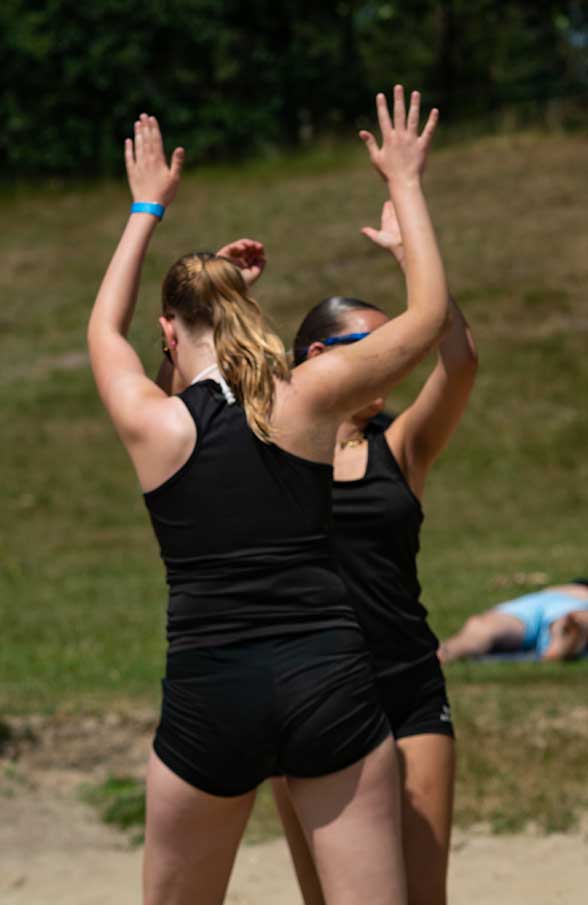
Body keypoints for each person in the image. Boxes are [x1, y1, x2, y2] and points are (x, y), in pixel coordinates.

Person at [87, 86, 447, 905]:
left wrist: (147, 205)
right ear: (247, 315)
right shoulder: (309, 397)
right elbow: (426, 315)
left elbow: (103, 333)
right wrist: (405, 181)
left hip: (211, 686)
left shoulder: (155, 422)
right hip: (328, 676)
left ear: (171, 333)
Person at [268, 199, 477, 905]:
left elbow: (461, 362)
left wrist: (415, 259)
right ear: (320, 358)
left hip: (408, 687)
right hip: (308, 696)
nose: (397, 357)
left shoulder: (402, 444)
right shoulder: (268, 452)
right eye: (377, 344)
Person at [439, 580, 588, 662]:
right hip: (575, 600)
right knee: (576, 617)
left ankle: (447, 652)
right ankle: (562, 638)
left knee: (484, 627)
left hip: (540, 599)